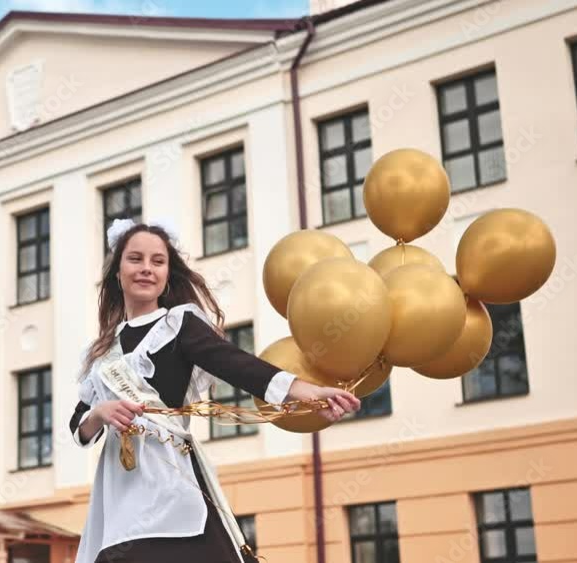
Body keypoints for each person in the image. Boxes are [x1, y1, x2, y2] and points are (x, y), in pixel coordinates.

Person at [70, 219, 361, 563]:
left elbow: (235, 364)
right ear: (117, 273)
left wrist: (305, 390)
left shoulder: (178, 324)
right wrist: (99, 415)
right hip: (119, 491)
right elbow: (78, 427)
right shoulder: (103, 351)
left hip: (171, 477)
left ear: (166, 276)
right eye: (135, 259)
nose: (146, 269)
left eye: (157, 261)